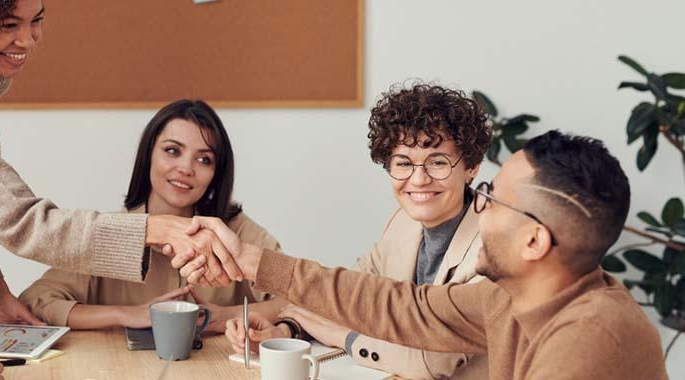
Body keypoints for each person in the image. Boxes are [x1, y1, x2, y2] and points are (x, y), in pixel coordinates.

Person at [0, 0, 239, 333]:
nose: (28, 39)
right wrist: (154, 228)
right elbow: (25, 221)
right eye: (9, 25)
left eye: (36, 20)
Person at [201, 131, 668, 379]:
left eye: (490, 197)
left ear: (534, 242)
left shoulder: (591, 336)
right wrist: (255, 261)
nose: (477, 207)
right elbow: (400, 306)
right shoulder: (506, 299)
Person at [226, 84, 491, 379]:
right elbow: (345, 296)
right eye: (403, 163)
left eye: (438, 162)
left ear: (472, 167)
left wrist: (345, 337)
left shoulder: (492, 245)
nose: (418, 179)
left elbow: (433, 361)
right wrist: (288, 329)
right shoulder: (402, 223)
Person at [19, 99, 286, 332]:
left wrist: (230, 315)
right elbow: (35, 301)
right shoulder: (112, 233)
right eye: (172, 151)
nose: (186, 168)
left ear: (216, 173)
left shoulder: (238, 232)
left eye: (204, 159)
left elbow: (300, 299)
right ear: (148, 155)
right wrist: (128, 314)